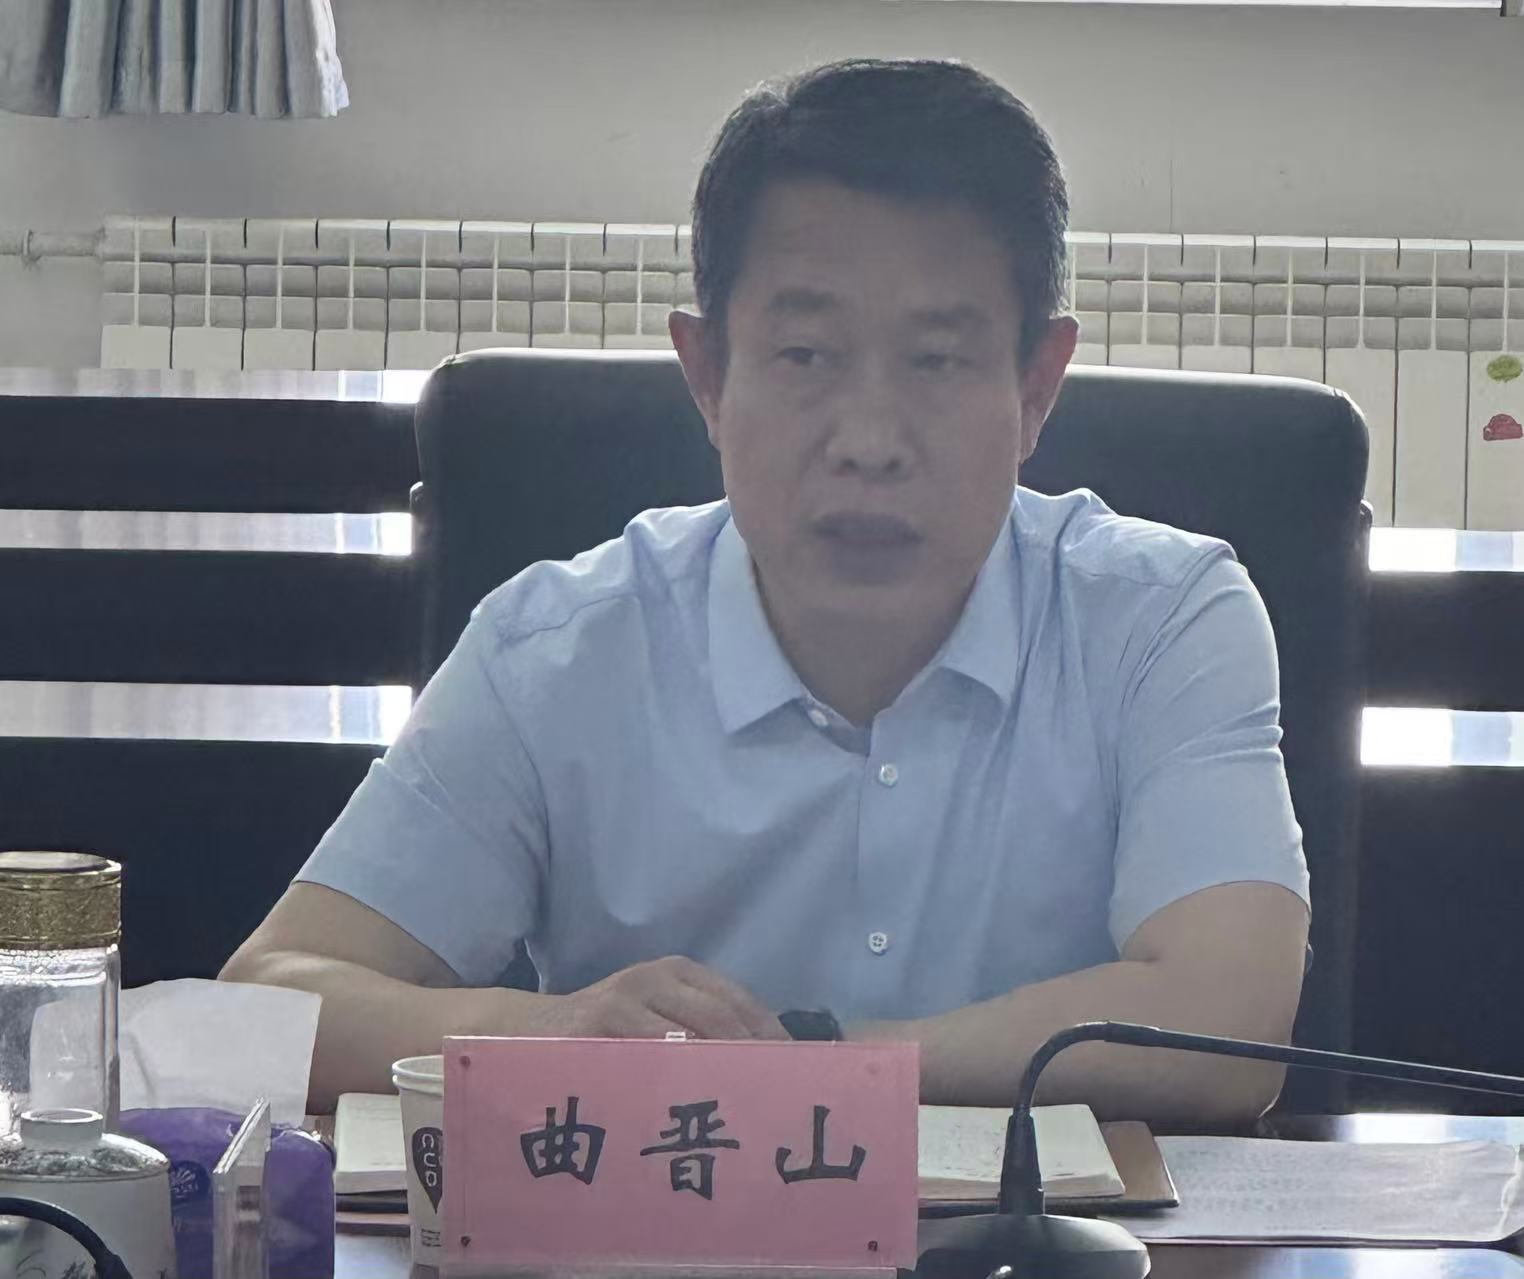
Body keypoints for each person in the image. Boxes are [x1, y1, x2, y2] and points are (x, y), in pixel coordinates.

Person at [223, 58, 1309, 1123]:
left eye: (936, 361)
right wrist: (554, 1034)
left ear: (1036, 387)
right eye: (805, 355)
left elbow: (1230, 1025)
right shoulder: (555, 651)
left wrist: (811, 1069)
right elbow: (269, 998)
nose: (870, 440)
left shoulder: (1161, 620)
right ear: (706, 375)